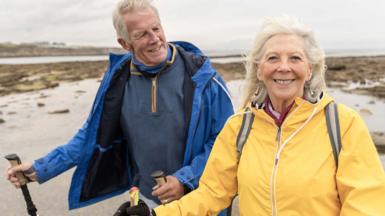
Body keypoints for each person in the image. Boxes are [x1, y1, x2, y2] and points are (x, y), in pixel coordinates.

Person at [121, 16, 385, 215]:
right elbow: (212, 193)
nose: (284, 67)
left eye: (294, 58)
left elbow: (366, 204)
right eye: (273, 58)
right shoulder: (240, 127)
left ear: (310, 67)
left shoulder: (343, 124)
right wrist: (155, 214)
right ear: (259, 70)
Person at [5, 0, 234, 213]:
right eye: (142, 34)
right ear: (124, 43)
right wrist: (41, 168)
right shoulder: (117, 80)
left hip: (200, 198)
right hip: (146, 200)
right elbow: (91, 135)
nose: (154, 39)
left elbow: (226, 142)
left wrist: (185, 179)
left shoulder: (204, 78)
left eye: (156, 28)